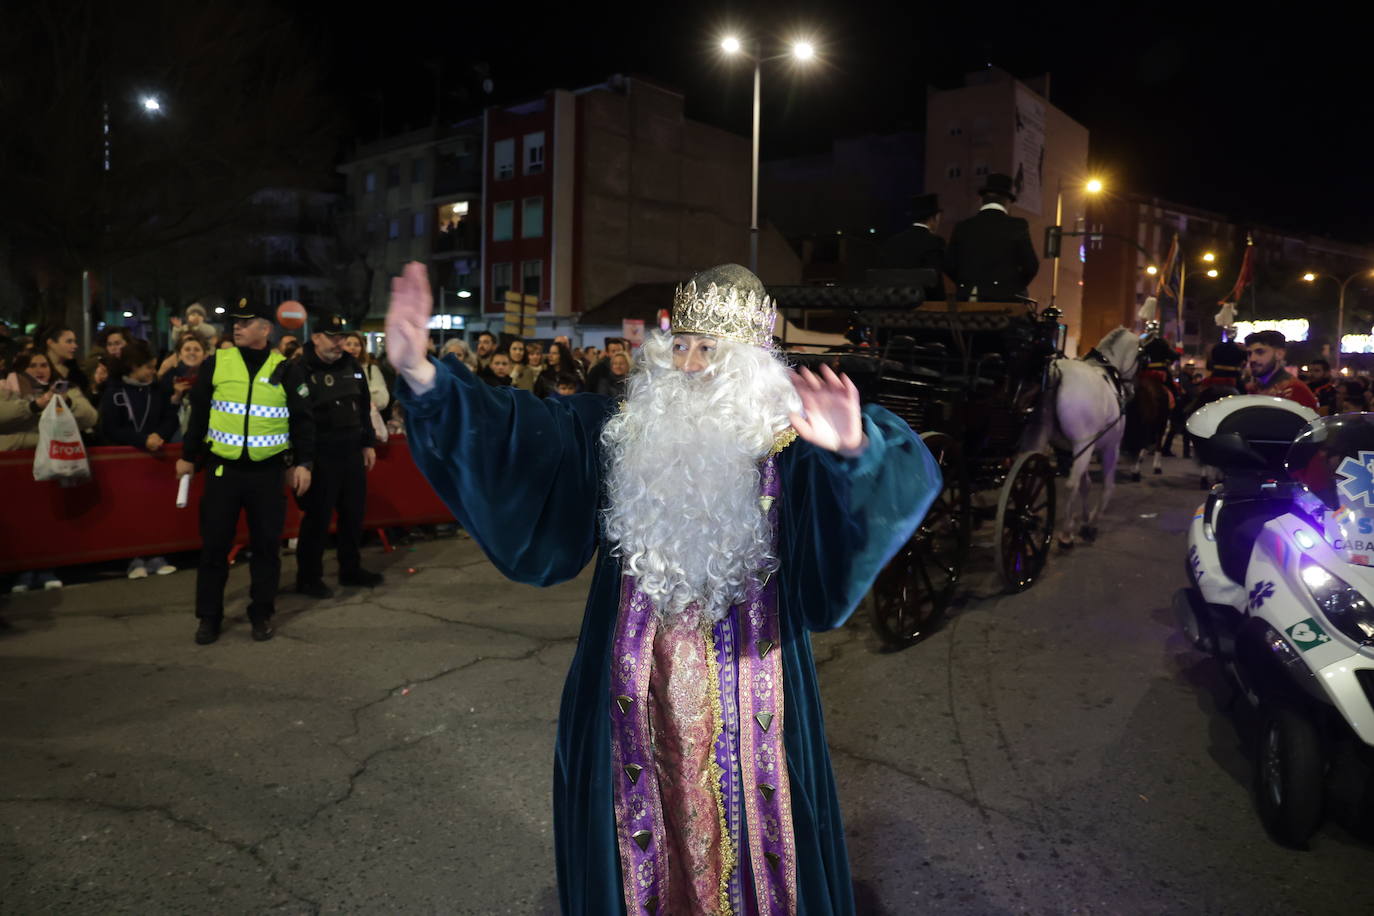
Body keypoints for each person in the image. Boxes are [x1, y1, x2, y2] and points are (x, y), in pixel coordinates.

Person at [387, 260, 938, 915]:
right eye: (682, 345)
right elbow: (516, 433)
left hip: (756, 691)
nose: (692, 364)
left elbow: (893, 482)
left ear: (752, 360)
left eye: (712, 349)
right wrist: (424, 376)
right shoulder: (622, 428)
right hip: (627, 684)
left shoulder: (790, 442)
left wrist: (855, 453)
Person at [176, 300, 315, 645]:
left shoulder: (286, 369)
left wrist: (304, 463)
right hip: (224, 470)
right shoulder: (217, 362)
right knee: (214, 547)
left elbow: (303, 422)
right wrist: (188, 456)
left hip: (267, 473)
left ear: (265, 329)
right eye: (235, 322)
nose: (236, 327)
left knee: (266, 548)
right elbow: (199, 414)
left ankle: (261, 613)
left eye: (246, 322)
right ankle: (209, 617)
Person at [294, 313, 382, 599]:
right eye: (333, 338)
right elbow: (298, 418)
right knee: (317, 520)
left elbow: (364, 404)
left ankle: (350, 569)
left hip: (351, 451)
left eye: (341, 337)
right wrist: (303, 461)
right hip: (321, 454)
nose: (339, 343)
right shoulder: (300, 368)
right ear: (315, 337)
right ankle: (309, 578)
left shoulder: (350, 365)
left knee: (353, 515)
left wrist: (367, 443)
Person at [99, 340, 182, 578]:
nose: (153, 372)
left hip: (155, 458)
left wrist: (160, 435)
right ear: (133, 366)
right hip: (124, 461)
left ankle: (156, 553)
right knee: (130, 510)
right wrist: (141, 440)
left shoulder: (158, 389)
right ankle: (134, 558)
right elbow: (110, 428)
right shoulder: (114, 391)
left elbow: (170, 417)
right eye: (148, 367)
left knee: (155, 508)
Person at [943, 172, 1040, 302]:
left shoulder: (963, 227)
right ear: (1007, 201)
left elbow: (949, 264)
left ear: (983, 199)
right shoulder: (1017, 226)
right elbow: (1031, 266)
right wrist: (1013, 287)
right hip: (1004, 301)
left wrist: (966, 283)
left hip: (968, 296)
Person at [876, 192, 946, 301]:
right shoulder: (935, 242)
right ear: (934, 218)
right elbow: (934, 280)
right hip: (925, 304)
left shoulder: (892, 242)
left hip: (894, 303)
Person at [1244, 329, 1317, 409]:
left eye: (1260, 352)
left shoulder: (1294, 389)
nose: (1252, 359)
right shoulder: (1253, 389)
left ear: (1279, 354)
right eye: (1249, 354)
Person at [161, 334, 208, 439]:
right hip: (175, 433)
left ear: (205, 355)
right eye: (187, 349)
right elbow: (161, 412)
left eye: (197, 350)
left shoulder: (210, 378)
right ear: (179, 355)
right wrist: (176, 398)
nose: (192, 352)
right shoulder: (169, 377)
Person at [341, 331, 391, 415]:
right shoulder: (336, 370)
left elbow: (382, 400)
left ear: (362, 348)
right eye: (348, 344)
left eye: (357, 345)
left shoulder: (371, 369)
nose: (352, 348)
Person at [41, 325, 89, 397]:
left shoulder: (75, 371)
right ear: (51, 343)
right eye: (69, 341)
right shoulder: (39, 368)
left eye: (74, 341)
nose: (75, 346)